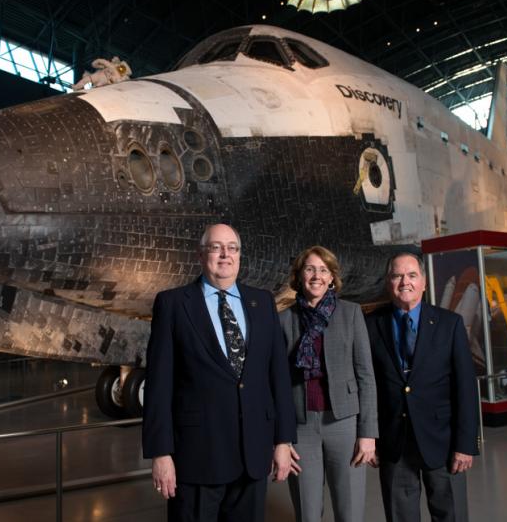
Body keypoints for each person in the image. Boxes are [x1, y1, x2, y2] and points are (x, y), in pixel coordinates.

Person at [142, 223, 297, 522]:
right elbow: (159, 386)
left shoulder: (263, 302)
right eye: (216, 247)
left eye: (232, 248)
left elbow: (278, 376)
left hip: (253, 456)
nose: (225, 254)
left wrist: (283, 441)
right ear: (201, 255)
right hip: (197, 458)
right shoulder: (173, 304)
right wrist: (161, 454)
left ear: (239, 255)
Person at [365, 251, 478, 522]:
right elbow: (366, 385)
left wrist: (465, 444)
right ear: (388, 282)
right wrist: (369, 436)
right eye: (397, 275)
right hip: (394, 443)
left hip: (443, 442)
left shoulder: (449, 324)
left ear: (424, 283)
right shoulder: (371, 325)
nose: (405, 282)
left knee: (449, 514)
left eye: (412, 275)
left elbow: (465, 387)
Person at [279, 246, 377, 522]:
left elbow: (366, 376)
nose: (316, 276)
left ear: (332, 277)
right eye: (309, 269)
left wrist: (368, 433)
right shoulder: (283, 320)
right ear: (299, 276)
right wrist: (281, 438)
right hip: (301, 428)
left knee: (350, 512)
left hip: (344, 423)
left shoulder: (351, 313)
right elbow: (278, 384)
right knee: (307, 513)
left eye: (324, 270)